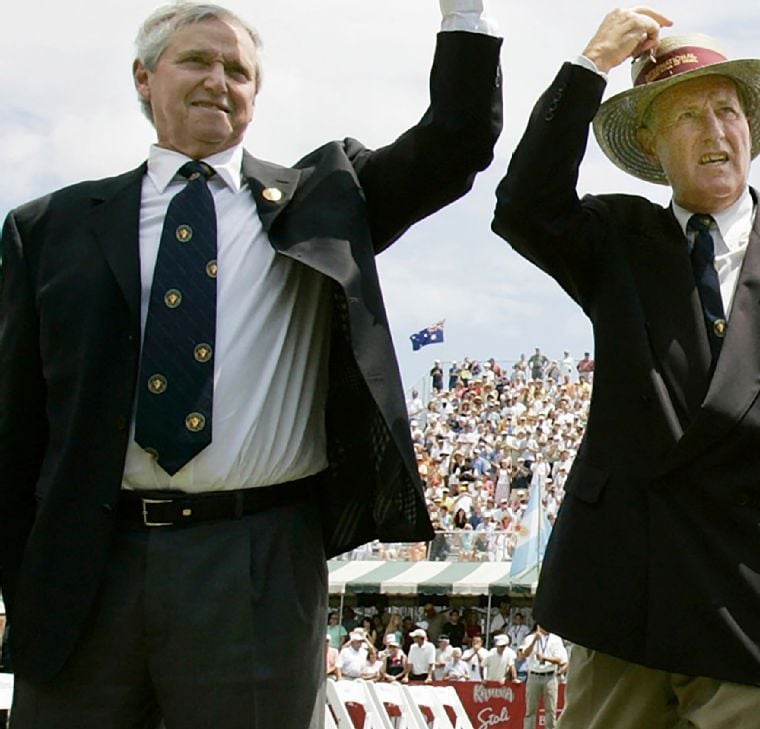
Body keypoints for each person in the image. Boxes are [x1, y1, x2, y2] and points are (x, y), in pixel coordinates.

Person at [0, 0, 502, 725]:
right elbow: (14, 431)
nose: (219, 80)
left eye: (238, 70)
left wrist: (464, 10)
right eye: (197, 61)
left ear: (256, 96)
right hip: (88, 564)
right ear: (144, 78)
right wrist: (30, 580)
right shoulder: (48, 228)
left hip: (257, 562)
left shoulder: (322, 199)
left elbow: (454, 142)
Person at [492, 8, 760, 727]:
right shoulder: (618, 239)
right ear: (649, 141)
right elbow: (524, 204)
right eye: (688, 116)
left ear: (751, 127)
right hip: (624, 597)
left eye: (727, 111)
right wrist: (589, 65)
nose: (715, 132)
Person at [520, 625, 567, 729]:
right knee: (530, 710)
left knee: (550, 710)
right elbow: (524, 654)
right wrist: (534, 641)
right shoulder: (530, 638)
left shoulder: (556, 639)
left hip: (549, 676)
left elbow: (560, 660)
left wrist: (545, 658)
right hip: (534, 675)